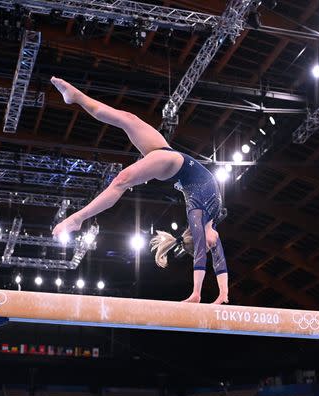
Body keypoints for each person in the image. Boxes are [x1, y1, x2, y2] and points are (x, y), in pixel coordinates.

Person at [50, 77, 228, 304]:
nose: (216, 247)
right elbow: (219, 261)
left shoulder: (198, 216)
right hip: (169, 154)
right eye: (215, 247)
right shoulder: (212, 219)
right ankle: (76, 97)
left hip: (172, 165)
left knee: (121, 181)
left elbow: (202, 254)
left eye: (210, 246)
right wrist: (223, 293)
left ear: (197, 236)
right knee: (128, 119)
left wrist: (197, 293)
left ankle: (77, 218)